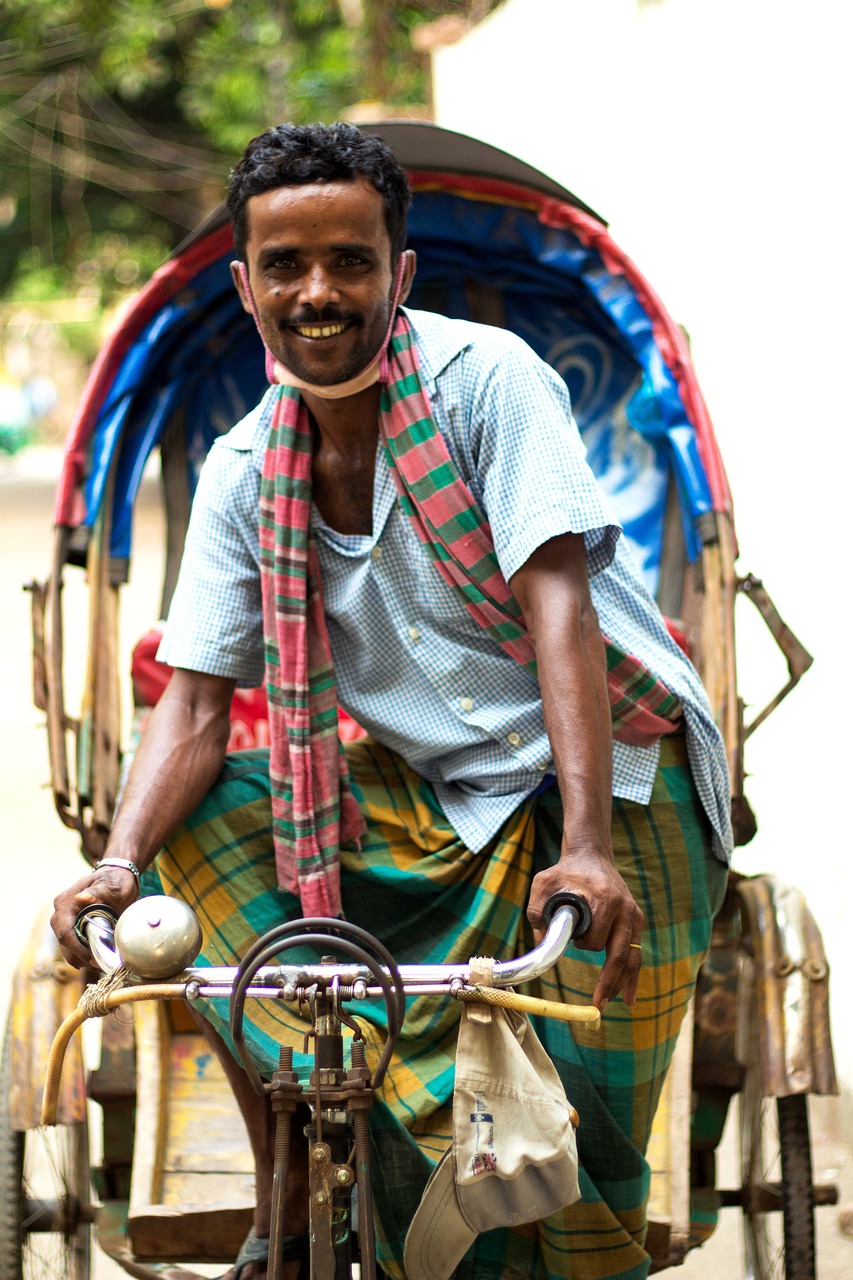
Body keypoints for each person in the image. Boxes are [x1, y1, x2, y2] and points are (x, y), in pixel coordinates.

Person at [52, 122, 732, 1280]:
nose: (318, 293)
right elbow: (200, 702)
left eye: (350, 262)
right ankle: (293, 1177)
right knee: (194, 828)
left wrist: (584, 847)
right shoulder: (239, 469)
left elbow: (556, 605)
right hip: (443, 792)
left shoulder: (489, 383)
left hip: (615, 776)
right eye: (286, 266)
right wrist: (117, 863)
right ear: (246, 284)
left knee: (565, 1125)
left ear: (397, 273)